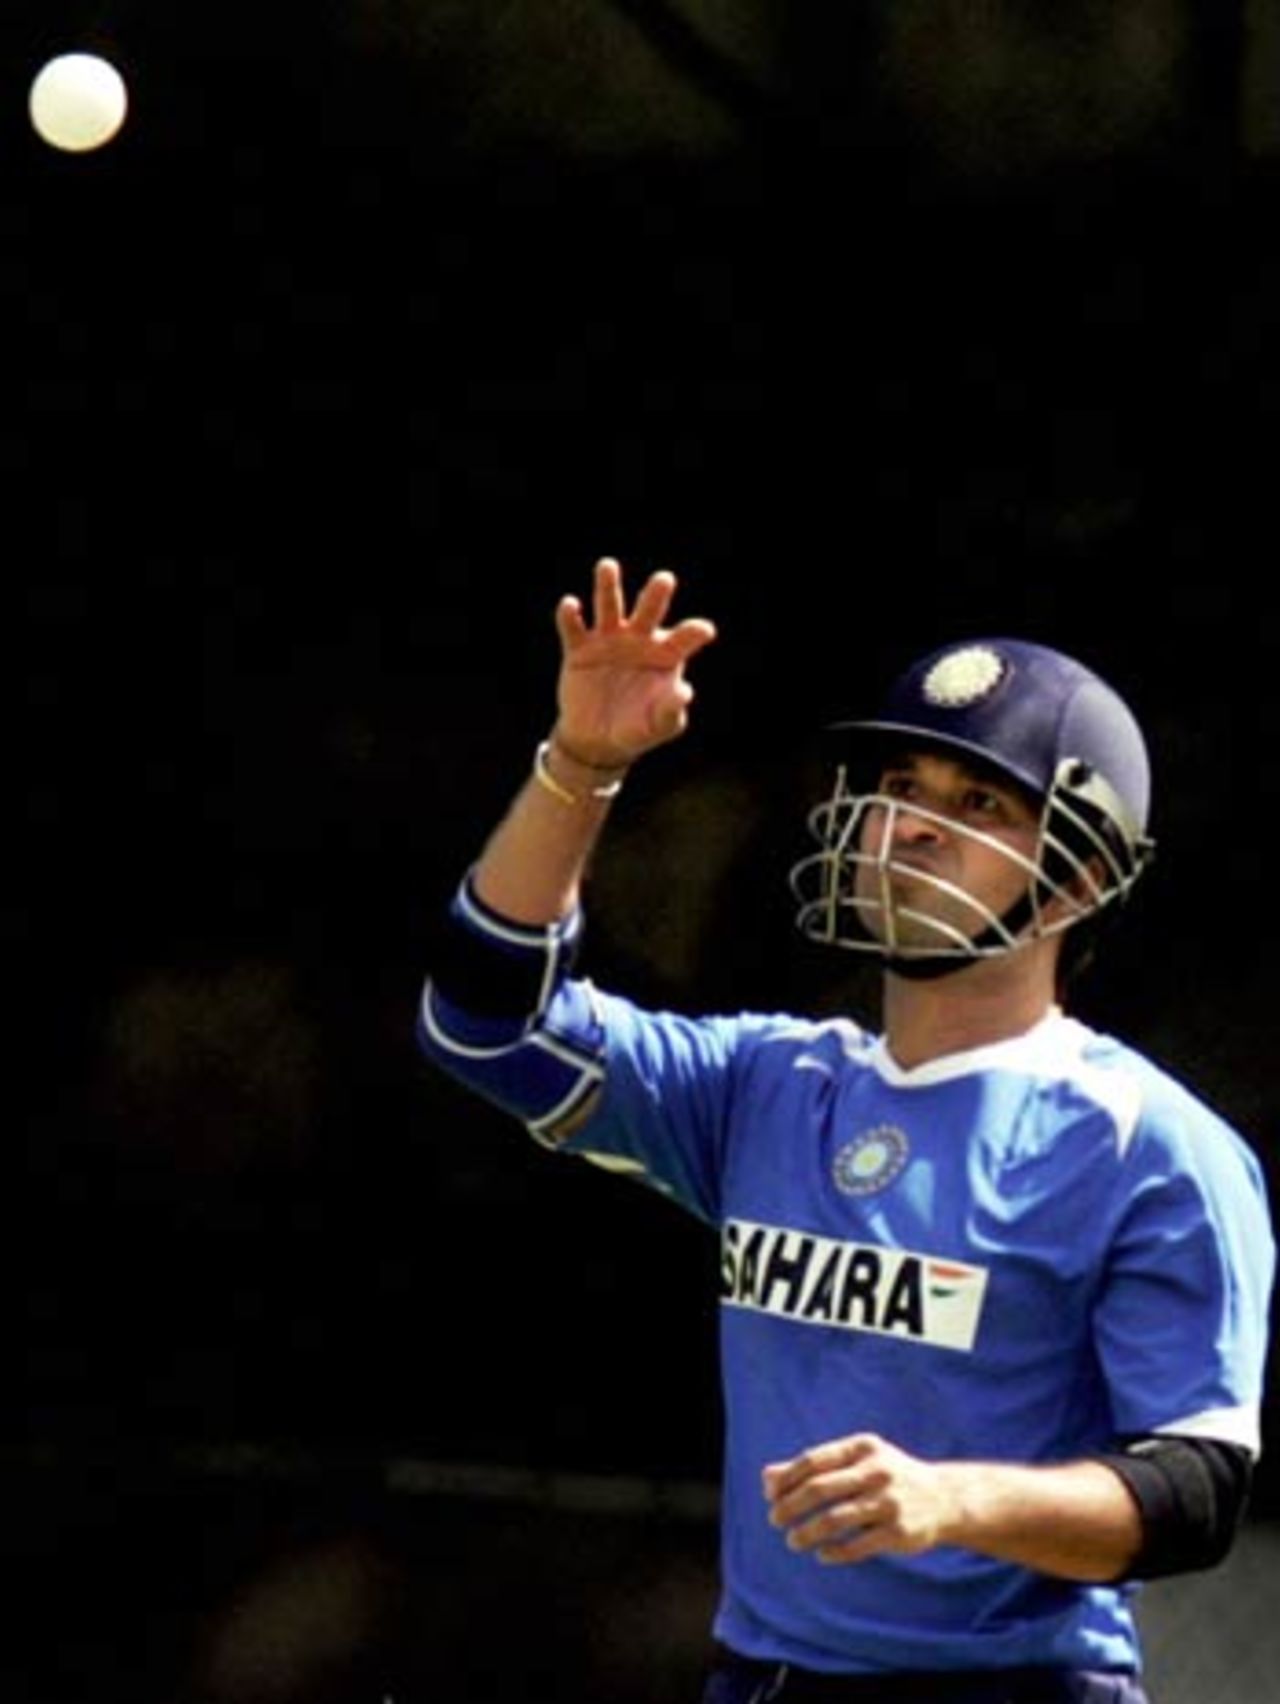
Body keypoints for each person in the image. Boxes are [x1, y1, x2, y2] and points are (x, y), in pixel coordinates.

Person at [416, 556, 1275, 1703]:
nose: (913, 829)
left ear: (1077, 878)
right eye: (901, 788)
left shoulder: (1146, 1142)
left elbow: (1193, 1490)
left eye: (976, 803)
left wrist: (950, 1499)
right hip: (763, 1681)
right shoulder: (767, 1084)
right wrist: (581, 764)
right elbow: (486, 1023)